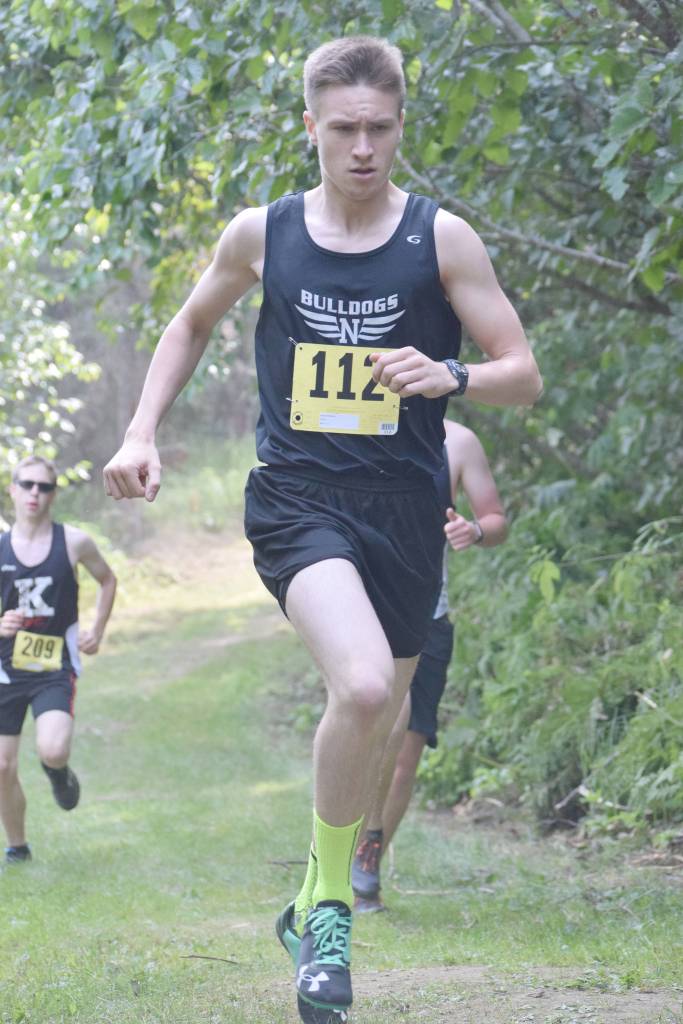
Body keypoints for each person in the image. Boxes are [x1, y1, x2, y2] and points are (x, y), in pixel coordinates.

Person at [102, 35, 541, 1023]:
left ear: (398, 127)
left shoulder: (440, 240)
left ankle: (306, 898)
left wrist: (454, 374)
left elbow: (520, 368)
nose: (359, 148)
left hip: (403, 512)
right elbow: (190, 325)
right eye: (340, 128)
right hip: (298, 503)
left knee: (374, 718)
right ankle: (332, 910)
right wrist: (140, 430)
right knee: (365, 682)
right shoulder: (264, 233)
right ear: (309, 125)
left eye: (378, 129)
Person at [352, 418, 508, 911]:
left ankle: (369, 857)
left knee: (405, 757)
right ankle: (346, 848)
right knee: (384, 729)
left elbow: (496, 520)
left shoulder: (459, 441)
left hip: (430, 617)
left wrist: (475, 529)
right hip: (362, 612)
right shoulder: (357, 427)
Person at [0, 456, 117, 865]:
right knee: (1, 764)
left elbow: (107, 579)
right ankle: (17, 846)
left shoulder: (73, 542)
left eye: (44, 487)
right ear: (12, 489)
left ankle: (58, 773)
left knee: (52, 748)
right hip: (4, 671)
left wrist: (97, 630)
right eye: (27, 485)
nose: (35, 493)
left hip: (53, 668)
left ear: (53, 494)